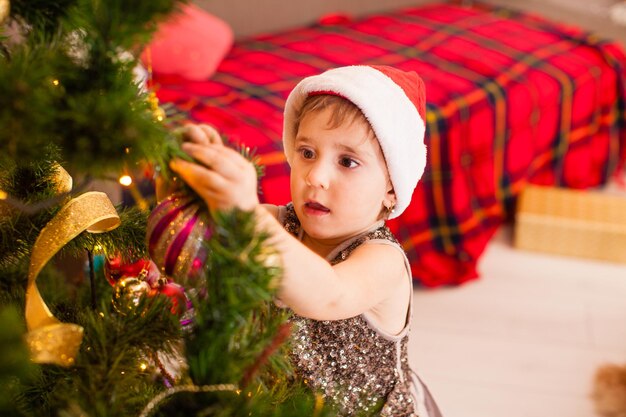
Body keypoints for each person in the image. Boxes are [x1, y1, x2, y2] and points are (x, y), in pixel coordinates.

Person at [170, 65, 442, 417]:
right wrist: (192, 184)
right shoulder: (274, 223)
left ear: (391, 188)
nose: (316, 176)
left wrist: (246, 217)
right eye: (307, 153)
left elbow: (328, 295)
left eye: (347, 161)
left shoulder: (382, 261)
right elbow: (196, 245)